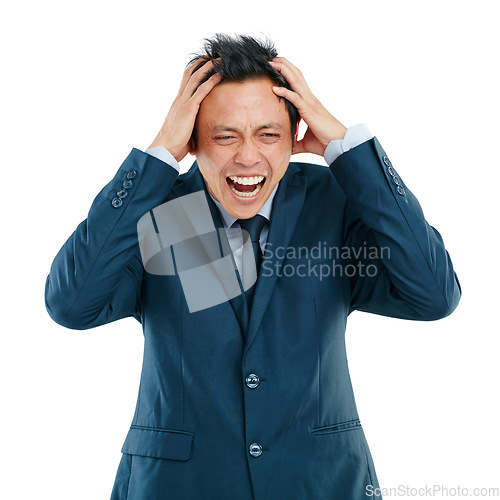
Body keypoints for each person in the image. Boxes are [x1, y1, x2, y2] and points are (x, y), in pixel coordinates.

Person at [44, 33, 461, 500]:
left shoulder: (332, 202)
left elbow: (433, 294)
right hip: (180, 486)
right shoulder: (159, 211)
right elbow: (72, 304)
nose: (247, 157)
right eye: (224, 136)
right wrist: (158, 154)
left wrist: (348, 149)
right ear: (193, 141)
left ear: (295, 136)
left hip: (319, 483)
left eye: (268, 134)